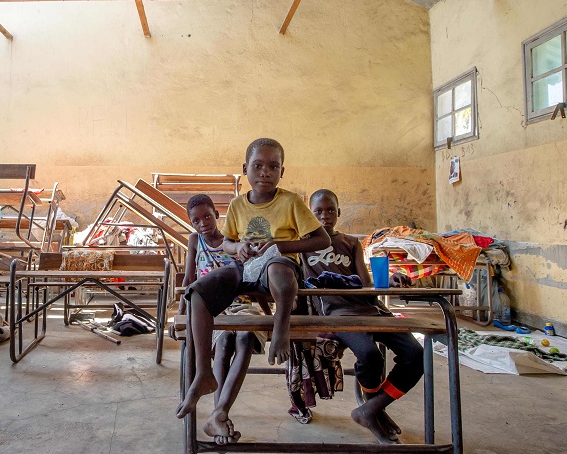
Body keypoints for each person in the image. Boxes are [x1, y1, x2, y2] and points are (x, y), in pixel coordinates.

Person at [176, 138, 331, 422]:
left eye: (273, 166)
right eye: (258, 166)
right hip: (245, 268)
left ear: (282, 171)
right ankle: (203, 373)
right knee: (197, 292)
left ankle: (280, 328)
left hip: (279, 267)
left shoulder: (291, 202)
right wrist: (239, 248)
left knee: (278, 270)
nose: (265, 172)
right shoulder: (237, 204)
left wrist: (279, 246)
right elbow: (227, 244)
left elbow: (322, 239)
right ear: (246, 169)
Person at [301, 189, 421, 445]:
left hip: (372, 308)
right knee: (370, 355)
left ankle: (372, 409)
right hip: (337, 313)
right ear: (308, 215)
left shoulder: (350, 242)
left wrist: (389, 279)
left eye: (330, 210)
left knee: (416, 354)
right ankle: (373, 410)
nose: (325, 216)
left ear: (339, 212)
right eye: (318, 212)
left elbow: (366, 283)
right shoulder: (303, 245)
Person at [171, 194, 266, 445]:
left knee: (245, 338)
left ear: (217, 214)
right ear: (191, 224)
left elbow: (253, 278)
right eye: (196, 220)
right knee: (223, 345)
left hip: (241, 304)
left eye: (207, 216)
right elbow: (189, 280)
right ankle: (220, 417)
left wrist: (269, 314)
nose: (203, 223)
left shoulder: (233, 241)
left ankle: (217, 415)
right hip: (210, 309)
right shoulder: (195, 241)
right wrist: (180, 314)